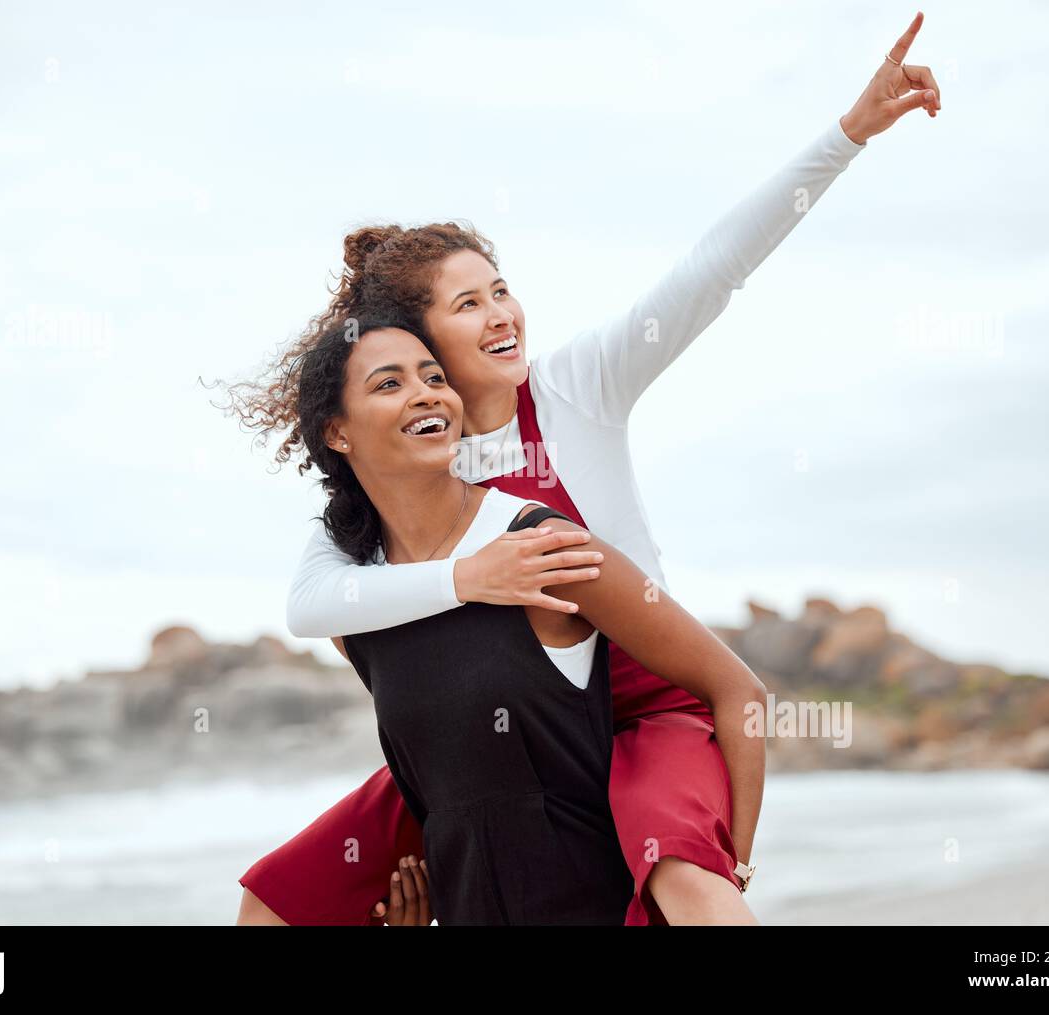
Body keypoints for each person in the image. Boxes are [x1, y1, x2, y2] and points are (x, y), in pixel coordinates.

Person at [236, 13, 942, 925]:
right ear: (418, 345)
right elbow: (317, 607)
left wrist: (848, 133)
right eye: (468, 303)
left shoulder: (579, 388)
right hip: (507, 738)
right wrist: (467, 578)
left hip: (645, 716)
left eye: (501, 288)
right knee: (281, 898)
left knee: (688, 884)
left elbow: (713, 269)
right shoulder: (412, 468)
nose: (502, 314)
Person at [261, 309, 767, 924]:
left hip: (594, 902)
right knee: (268, 906)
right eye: (389, 383)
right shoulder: (357, 607)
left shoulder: (541, 546)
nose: (426, 394)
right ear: (337, 433)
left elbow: (737, 688)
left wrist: (729, 869)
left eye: (434, 376)